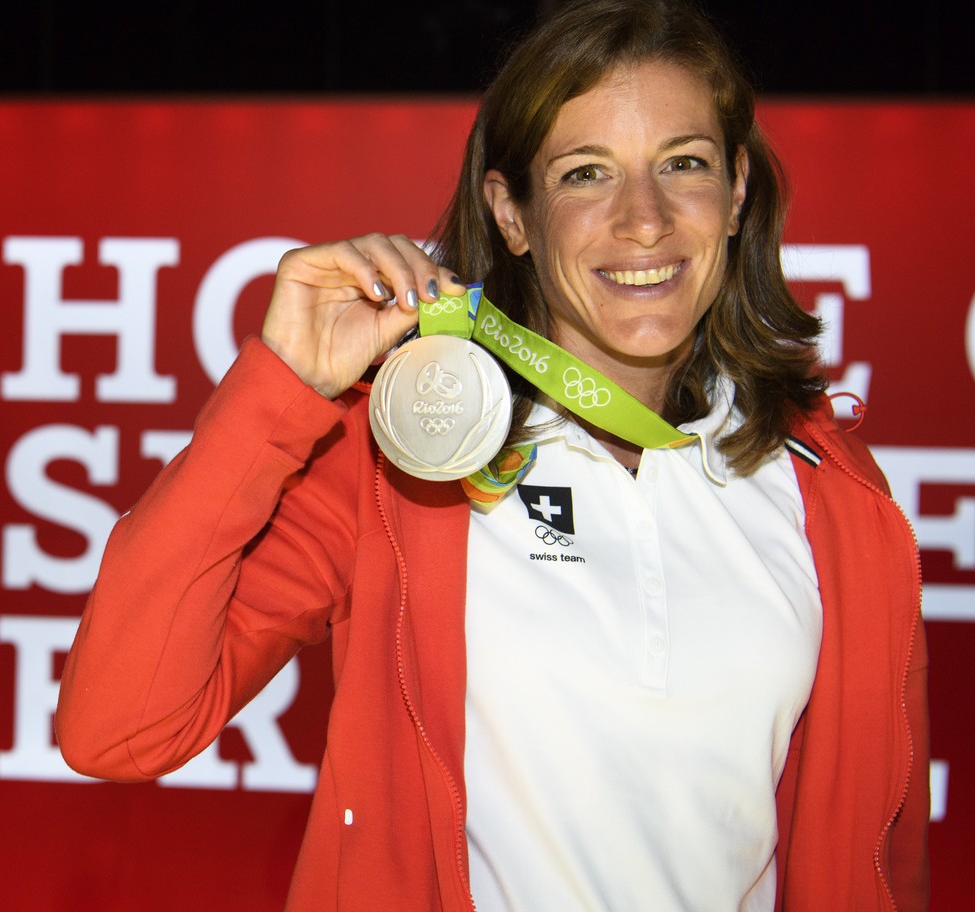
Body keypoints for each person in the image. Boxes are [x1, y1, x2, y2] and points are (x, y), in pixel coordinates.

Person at [55, 0, 929, 909]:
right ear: (511, 214)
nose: (644, 220)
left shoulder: (831, 493)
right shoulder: (401, 464)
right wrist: (281, 391)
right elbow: (120, 728)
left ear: (738, 190)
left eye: (685, 164)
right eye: (587, 174)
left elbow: (884, 854)